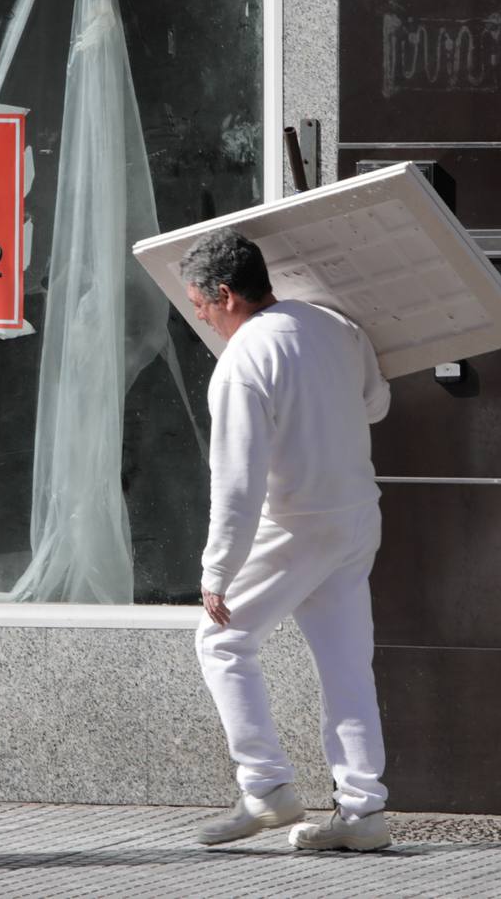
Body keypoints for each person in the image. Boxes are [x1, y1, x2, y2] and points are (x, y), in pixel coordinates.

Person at [184, 229, 393, 851]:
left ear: (225, 296)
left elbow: (238, 484)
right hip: (355, 516)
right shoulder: (332, 325)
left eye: (200, 307)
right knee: (347, 665)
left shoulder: (242, 364)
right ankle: (363, 812)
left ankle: (267, 787)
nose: (202, 319)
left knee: (221, 641)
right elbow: (377, 404)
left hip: (298, 523)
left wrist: (216, 571)